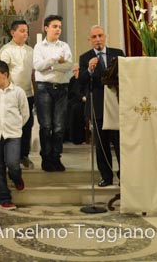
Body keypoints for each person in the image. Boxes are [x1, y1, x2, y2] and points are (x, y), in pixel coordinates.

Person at [78, 26, 124, 187]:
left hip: (116, 104)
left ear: (105, 36)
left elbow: (126, 74)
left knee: (119, 142)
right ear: (89, 40)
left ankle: (124, 175)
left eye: (100, 35)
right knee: (101, 144)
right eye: (94, 37)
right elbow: (81, 81)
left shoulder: (117, 54)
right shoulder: (85, 58)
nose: (98, 39)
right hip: (97, 105)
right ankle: (106, 176)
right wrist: (90, 70)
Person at [0, 60, 29, 211]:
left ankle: (16, 178)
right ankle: (4, 198)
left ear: (5, 74)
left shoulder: (18, 92)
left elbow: (25, 114)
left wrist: (16, 127)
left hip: (13, 134)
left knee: (13, 164)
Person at [32, 15, 73, 172]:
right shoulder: (39, 47)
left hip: (61, 88)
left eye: (59, 27)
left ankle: (56, 157)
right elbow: (38, 65)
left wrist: (50, 66)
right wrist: (55, 59)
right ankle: (46, 158)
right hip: (44, 89)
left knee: (59, 126)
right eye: (54, 26)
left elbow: (68, 66)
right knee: (46, 125)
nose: (58, 29)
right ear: (46, 28)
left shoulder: (64, 46)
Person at [0, 20, 36, 169]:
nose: (25, 33)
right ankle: (9, 157)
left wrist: (36, 91)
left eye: (26, 31)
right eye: (21, 30)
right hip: (12, 94)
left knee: (27, 124)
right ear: (13, 32)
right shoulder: (6, 50)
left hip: (28, 94)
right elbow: (3, 73)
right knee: (12, 125)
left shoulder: (30, 50)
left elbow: (33, 73)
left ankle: (24, 156)